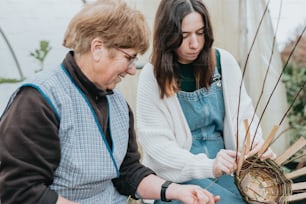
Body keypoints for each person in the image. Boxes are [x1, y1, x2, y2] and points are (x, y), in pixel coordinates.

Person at [0, 1, 220, 204]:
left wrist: (176, 191)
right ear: (98, 48)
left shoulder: (117, 104)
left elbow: (128, 172)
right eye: (129, 57)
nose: (133, 70)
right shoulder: (39, 101)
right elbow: (19, 190)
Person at [136, 0, 277, 203]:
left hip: (227, 168)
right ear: (167, 35)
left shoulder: (224, 63)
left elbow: (244, 116)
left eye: (200, 33)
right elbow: (157, 147)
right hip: (178, 175)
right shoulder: (152, 76)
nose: (194, 44)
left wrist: (253, 146)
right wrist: (209, 166)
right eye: (184, 36)